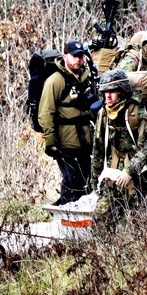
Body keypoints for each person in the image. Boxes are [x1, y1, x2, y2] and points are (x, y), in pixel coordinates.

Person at [90, 70, 147, 229]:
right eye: (105, 92)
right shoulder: (103, 113)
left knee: (137, 223)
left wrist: (129, 171)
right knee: (101, 218)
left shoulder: (137, 111)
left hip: (137, 173)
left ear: (122, 92)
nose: (108, 96)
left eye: (112, 91)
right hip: (112, 171)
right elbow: (97, 147)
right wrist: (94, 182)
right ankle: (103, 252)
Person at [38, 39, 96, 205]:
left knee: (87, 180)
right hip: (66, 142)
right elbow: (46, 112)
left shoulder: (87, 77)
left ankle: (80, 217)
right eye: (74, 56)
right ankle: (63, 215)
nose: (79, 59)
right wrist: (50, 142)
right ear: (65, 56)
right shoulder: (55, 81)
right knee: (72, 180)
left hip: (86, 140)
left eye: (81, 56)